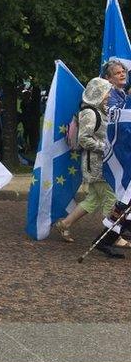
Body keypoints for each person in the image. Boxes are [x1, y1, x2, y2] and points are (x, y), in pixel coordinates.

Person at [53, 77, 128, 255]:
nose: (109, 95)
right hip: (96, 164)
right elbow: (84, 139)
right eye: (107, 92)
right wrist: (105, 147)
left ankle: (65, 224)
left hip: (103, 162)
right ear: (98, 93)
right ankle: (112, 235)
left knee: (93, 199)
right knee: (112, 198)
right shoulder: (89, 113)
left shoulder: (102, 110)